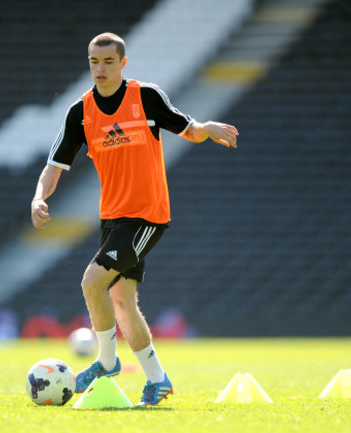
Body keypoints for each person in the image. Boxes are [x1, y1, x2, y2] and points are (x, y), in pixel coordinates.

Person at [31, 32, 238, 406]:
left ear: (122, 64)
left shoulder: (145, 97)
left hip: (147, 215)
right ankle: (158, 380)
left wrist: (206, 129)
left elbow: (186, 127)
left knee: (92, 282)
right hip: (112, 217)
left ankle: (106, 361)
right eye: (94, 61)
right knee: (122, 299)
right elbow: (54, 166)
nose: (100, 69)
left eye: (108, 61)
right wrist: (37, 198)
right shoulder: (80, 112)